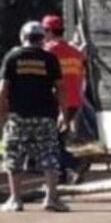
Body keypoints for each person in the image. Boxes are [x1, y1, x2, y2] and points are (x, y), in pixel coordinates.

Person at [0, 22, 69, 212]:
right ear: (42, 39)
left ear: (23, 37)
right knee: (49, 154)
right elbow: (60, 88)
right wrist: (64, 114)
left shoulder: (12, 57)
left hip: (18, 115)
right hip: (45, 115)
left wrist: (2, 113)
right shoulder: (50, 58)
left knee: (14, 155)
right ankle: (51, 198)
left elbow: (3, 89)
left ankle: (15, 199)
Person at [41, 14, 86, 182]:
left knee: (51, 140)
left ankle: (75, 163)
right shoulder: (75, 52)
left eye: (43, 31)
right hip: (74, 101)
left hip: (58, 101)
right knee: (58, 139)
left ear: (49, 31)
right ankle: (61, 175)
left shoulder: (48, 51)